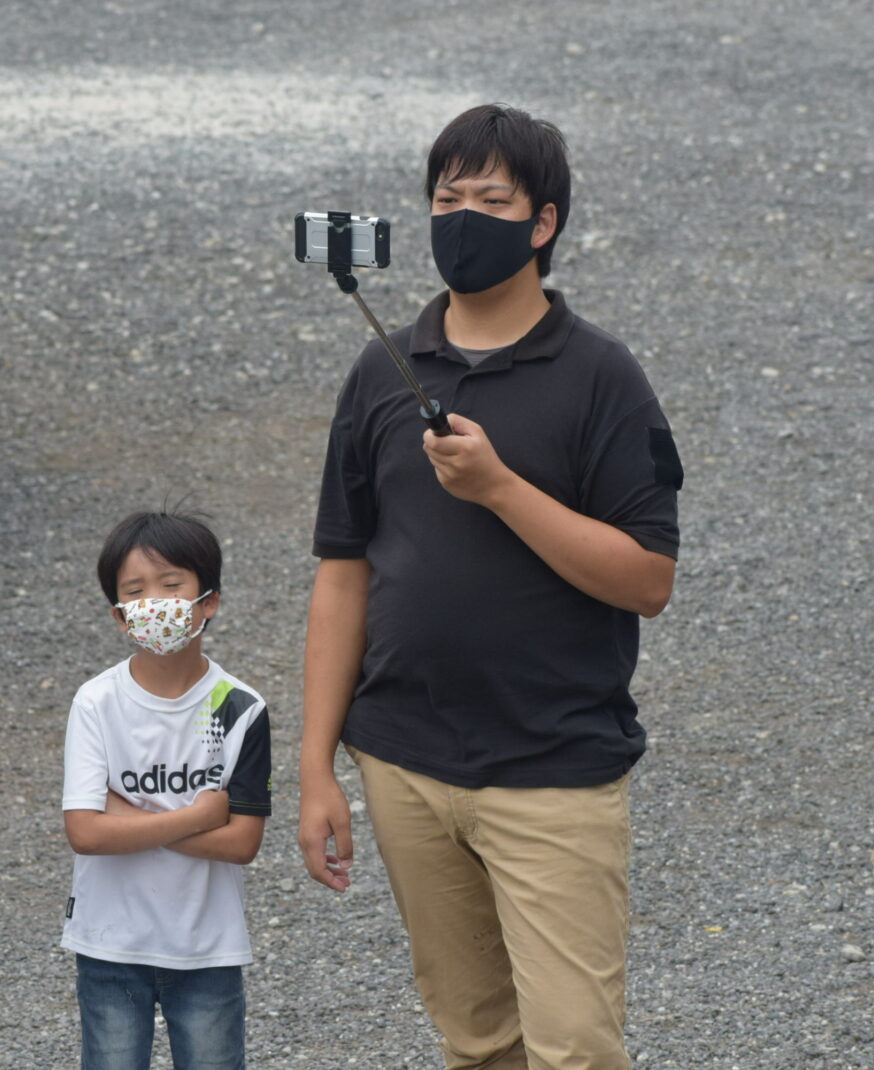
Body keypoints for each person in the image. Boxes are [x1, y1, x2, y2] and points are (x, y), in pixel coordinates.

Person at [298, 104, 684, 1069]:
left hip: (554, 772)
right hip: (404, 765)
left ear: (543, 223)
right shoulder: (383, 371)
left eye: (491, 200)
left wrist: (502, 488)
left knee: (575, 1049)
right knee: (475, 1042)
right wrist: (315, 767)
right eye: (446, 198)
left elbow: (648, 579)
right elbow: (342, 574)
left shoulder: (602, 377)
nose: (463, 217)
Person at [61, 510, 272, 1070]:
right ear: (119, 616)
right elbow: (85, 833)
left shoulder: (240, 707)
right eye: (135, 591)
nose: (154, 602)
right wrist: (199, 816)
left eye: (171, 584)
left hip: (208, 947)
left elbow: (242, 844)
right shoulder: (96, 702)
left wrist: (125, 815)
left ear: (209, 601)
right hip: (109, 942)